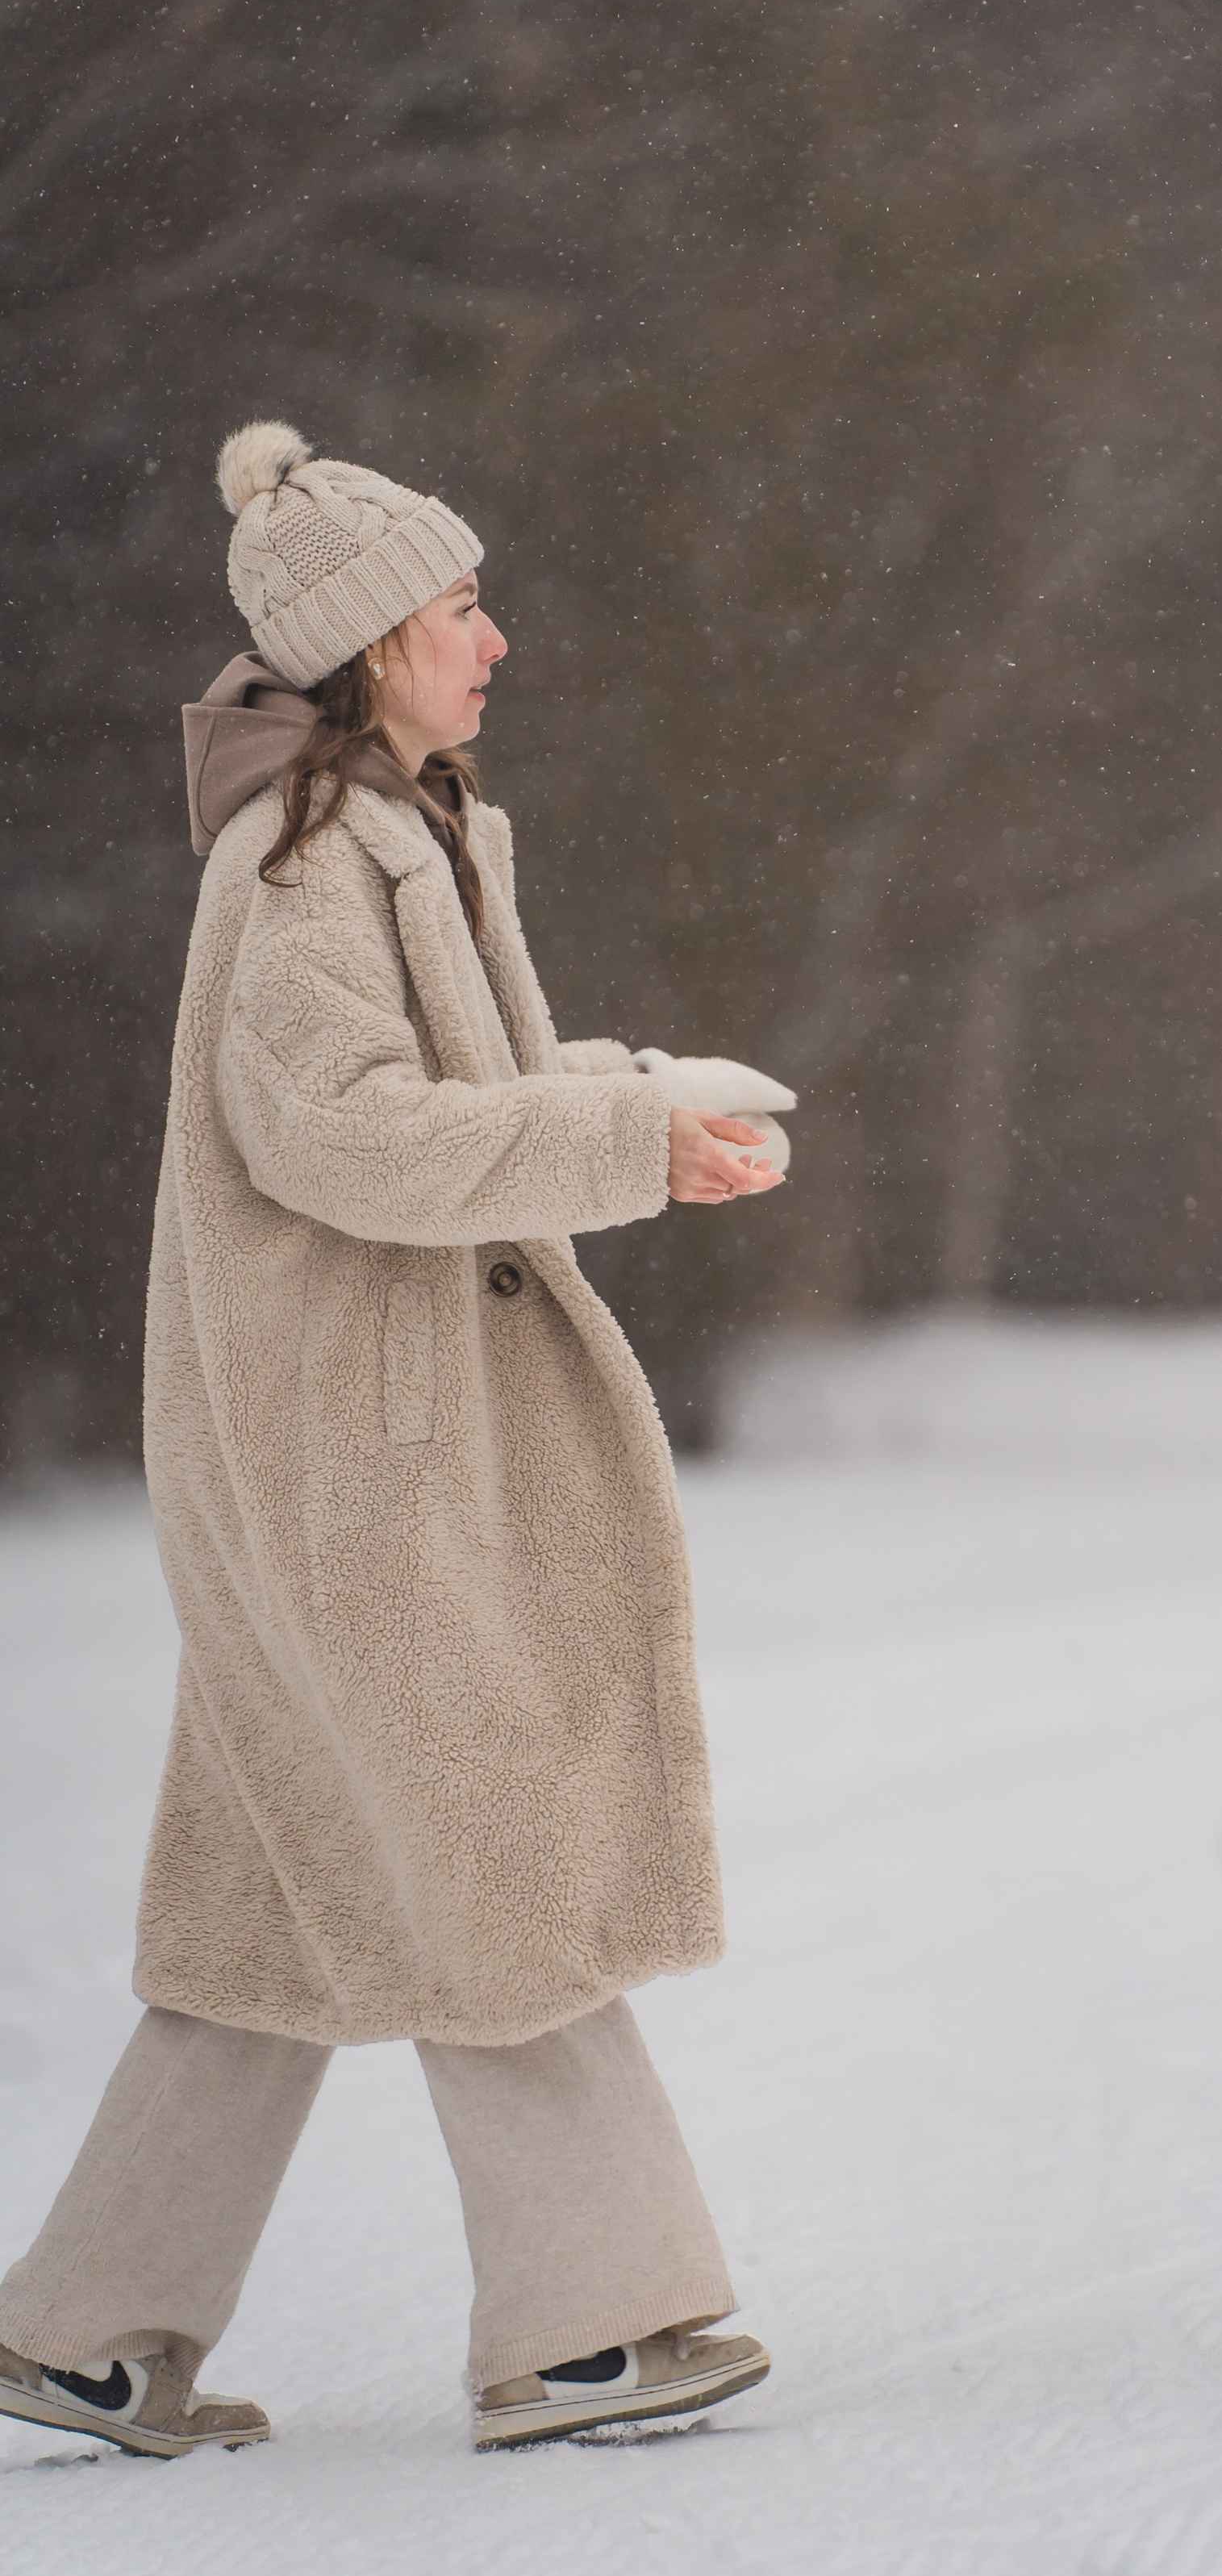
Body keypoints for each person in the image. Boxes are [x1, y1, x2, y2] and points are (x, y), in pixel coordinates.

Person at [0, 422, 785, 2457]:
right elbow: (344, 1139)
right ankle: (589, 2329)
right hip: (353, 1464)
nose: (495, 639)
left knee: (278, 1911)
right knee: (487, 1859)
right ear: (368, 647)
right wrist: (614, 1133)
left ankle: (84, 2333)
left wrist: (637, 1099)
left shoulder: (398, 832)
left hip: (354, 1449)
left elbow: (454, 1098)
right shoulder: (299, 873)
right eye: (460, 611)